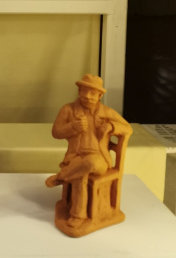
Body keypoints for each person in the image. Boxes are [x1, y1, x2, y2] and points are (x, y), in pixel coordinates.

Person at [46, 74, 132, 229]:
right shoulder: (68, 110)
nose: (87, 96)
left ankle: (61, 177)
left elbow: (128, 128)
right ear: (79, 91)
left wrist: (111, 126)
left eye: (92, 93)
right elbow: (56, 132)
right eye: (84, 91)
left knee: (90, 163)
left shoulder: (106, 112)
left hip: (99, 160)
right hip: (75, 158)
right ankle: (78, 215)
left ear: (100, 96)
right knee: (80, 172)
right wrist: (72, 127)